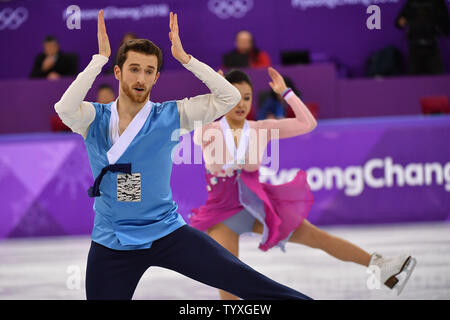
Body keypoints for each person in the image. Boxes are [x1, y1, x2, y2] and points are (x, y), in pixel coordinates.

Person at [54, 10, 312, 300]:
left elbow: (229, 98)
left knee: (244, 280)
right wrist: (98, 59)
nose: (141, 77)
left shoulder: (170, 115)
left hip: (167, 233)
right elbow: (64, 109)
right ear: (118, 72)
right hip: (111, 243)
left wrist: (186, 59)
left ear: (156, 78)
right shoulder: (94, 117)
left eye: (149, 71)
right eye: (134, 68)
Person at [190, 68, 417, 300]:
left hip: (258, 207)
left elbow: (307, 123)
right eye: (233, 97)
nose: (241, 104)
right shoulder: (210, 132)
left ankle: (380, 265)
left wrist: (286, 93)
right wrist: (214, 94)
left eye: (246, 97)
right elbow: (196, 133)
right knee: (229, 276)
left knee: (317, 237)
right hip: (222, 216)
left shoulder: (261, 129)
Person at [395, 0, 449, 75]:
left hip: (432, 47)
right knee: (414, 82)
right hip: (415, 47)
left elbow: (446, 24)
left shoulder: (437, 2)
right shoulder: (412, 3)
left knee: (437, 79)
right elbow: (398, 23)